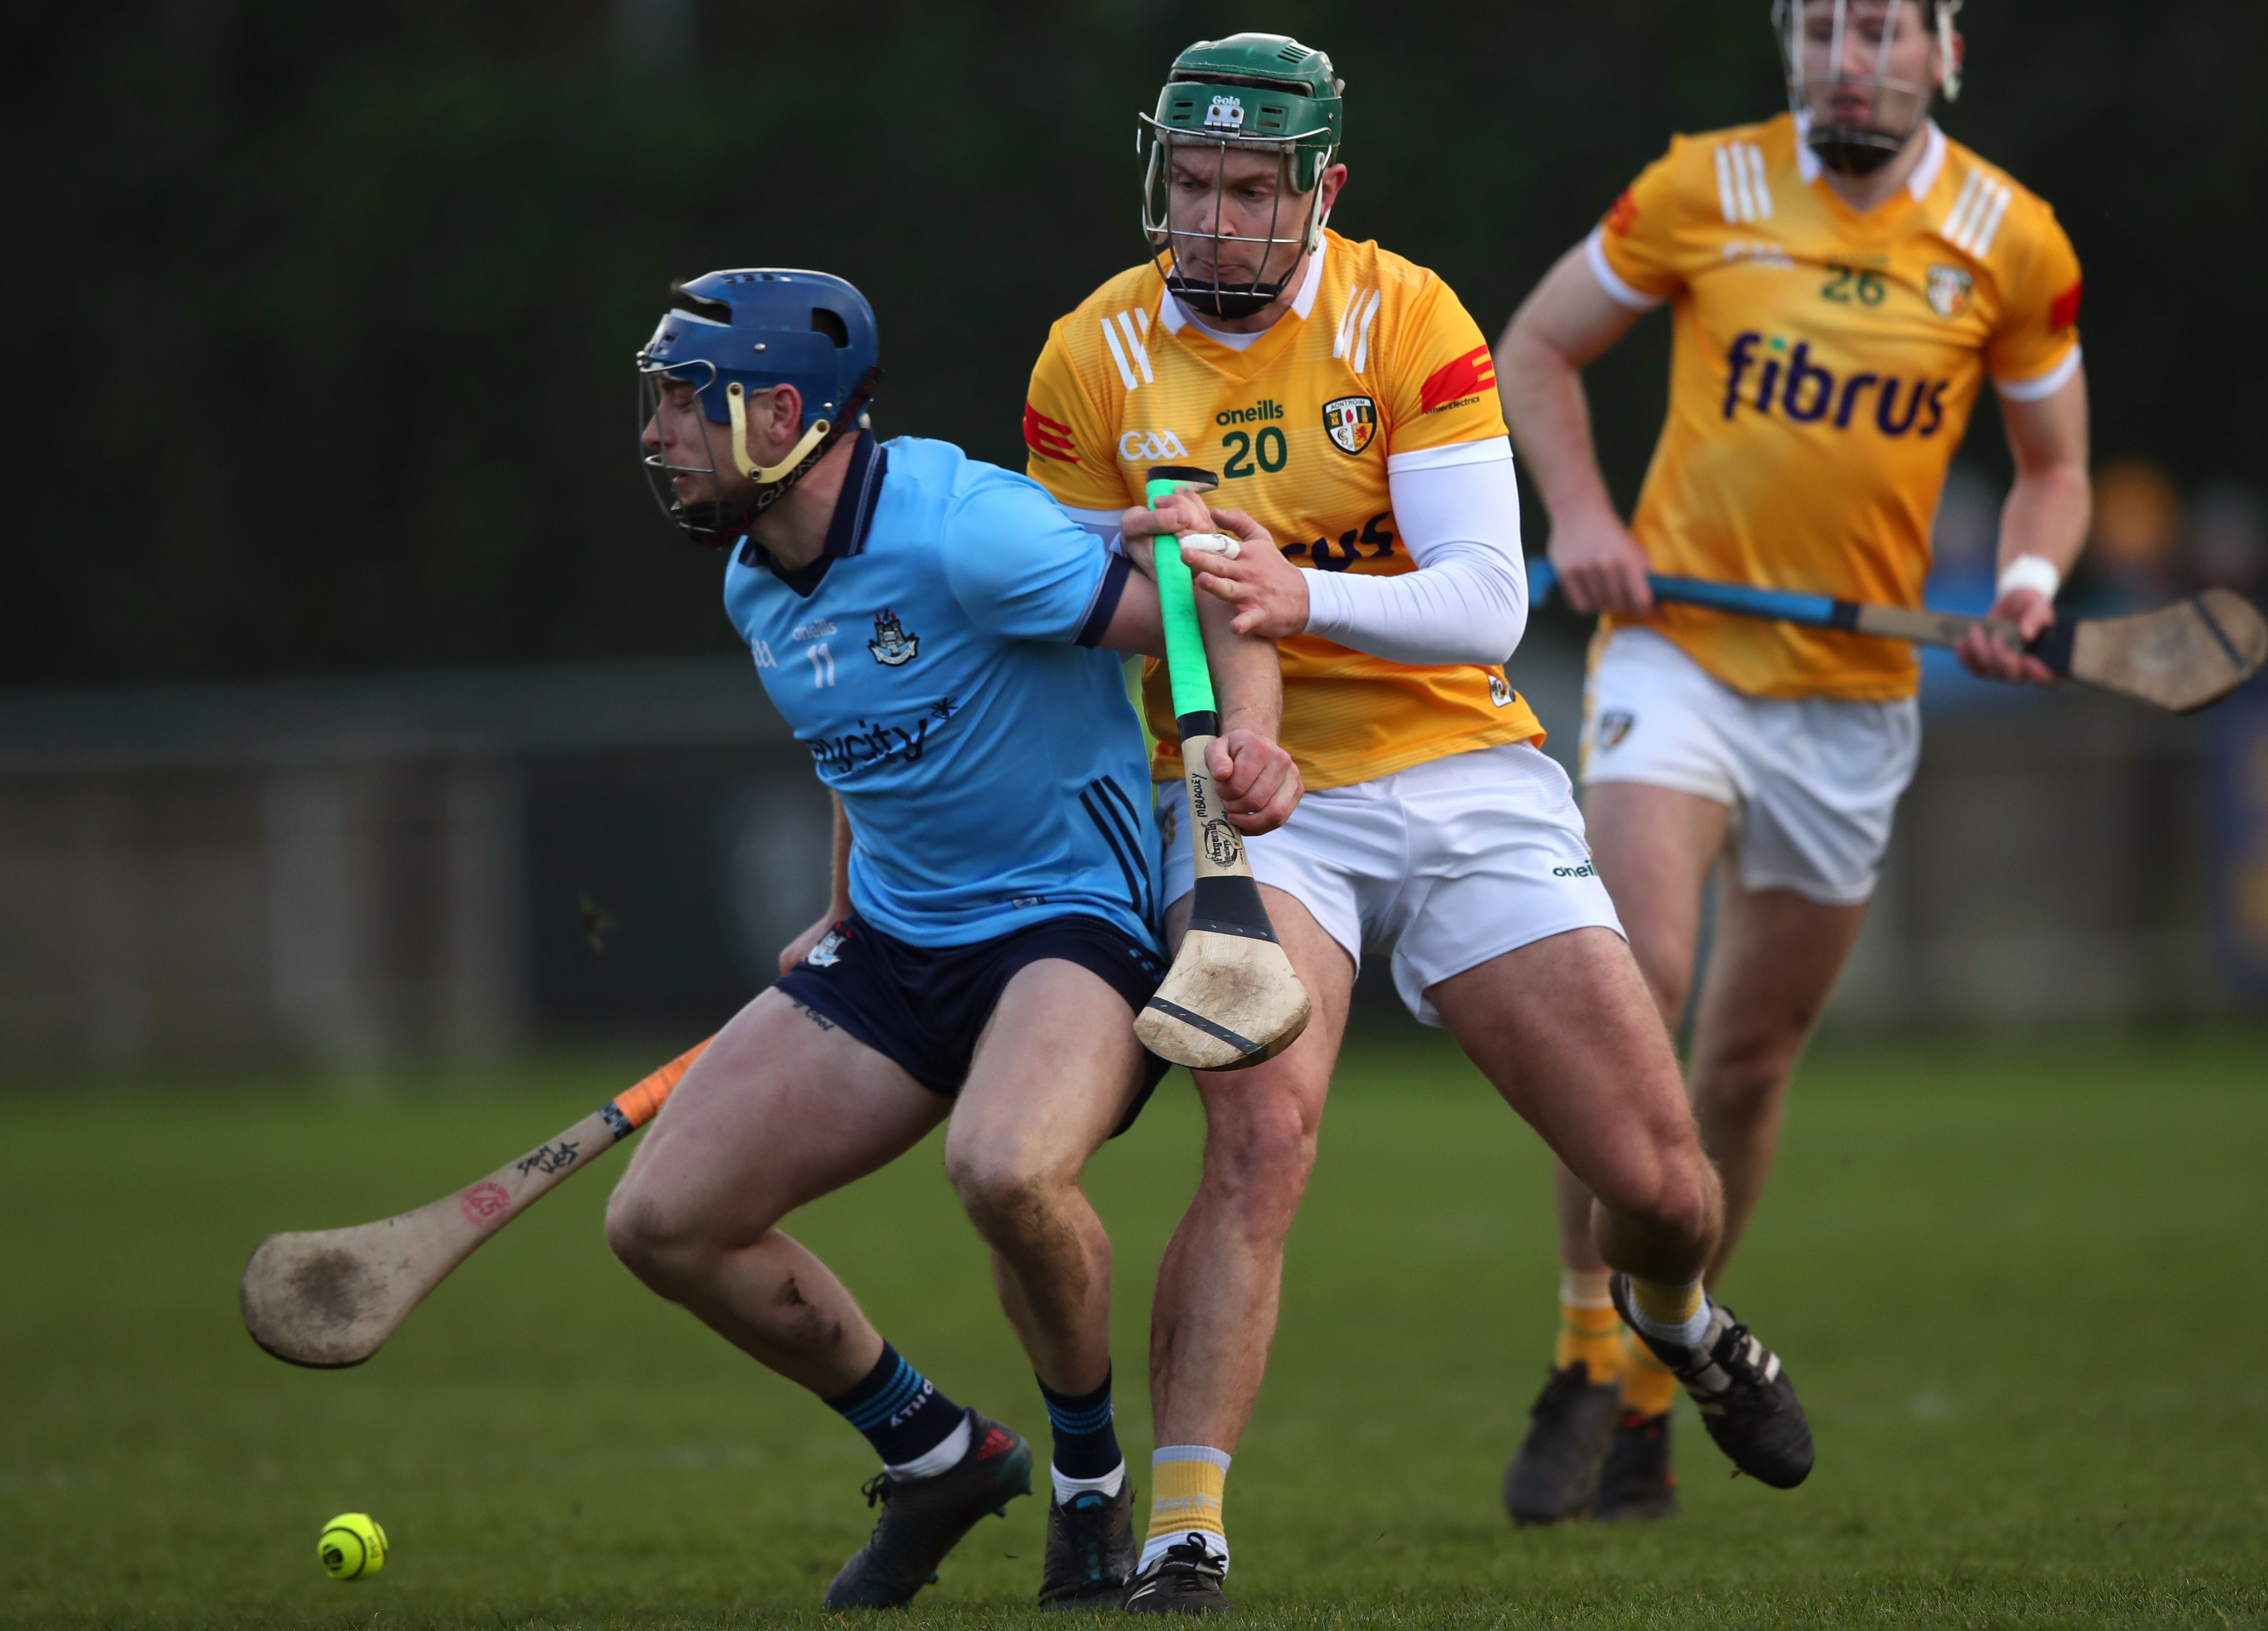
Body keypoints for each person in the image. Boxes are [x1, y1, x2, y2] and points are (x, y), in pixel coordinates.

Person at [1023, 34, 1815, 1612]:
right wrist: (1209, 725)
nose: (1216, 220)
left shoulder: (1408, 313)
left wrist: (1289, 587)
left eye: (1252, 188)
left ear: (1323, 186)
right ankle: (1185, 1534)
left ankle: (1675, 1319)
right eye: (1192, 182)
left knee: (1662, 1186)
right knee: (1258, 1131)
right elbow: (1070, 608)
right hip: (1257, 803)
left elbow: (1489, 603)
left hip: (1458, 770)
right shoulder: (1090, 359)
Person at [603, 266, 1299, 1609]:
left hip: (1068, 927)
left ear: (785, 411)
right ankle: (935, 1451)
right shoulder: (758, 579)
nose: (657, 435)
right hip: (900, 943)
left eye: (686, 405)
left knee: (1003, 1168)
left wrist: (1247, 752)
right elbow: (861, 751)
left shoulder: (968, 527)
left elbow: (1206, 606)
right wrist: (842, 901)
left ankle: (1090, 1485)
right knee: (663, 1221)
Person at [1494, 0, 2089, 1522]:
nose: (1848, 57)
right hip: (1680, 658)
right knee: (1632, 984)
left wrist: (2023, 593)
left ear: (1944, 53)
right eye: (1822, 27)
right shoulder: (1704, 187)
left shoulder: (2010, 241)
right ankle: (1580, 1342)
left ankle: (1647, 1387)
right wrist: (1584, 520)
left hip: (1855, 694)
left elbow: (2056, 471)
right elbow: (1541, 349)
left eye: (1881, 29)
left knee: (1746, 1066)